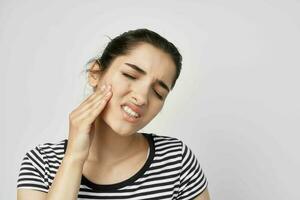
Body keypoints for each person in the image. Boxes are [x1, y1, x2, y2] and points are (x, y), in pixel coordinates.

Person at [17, 28, 210, 200]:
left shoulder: (176, 160)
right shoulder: (42, 162)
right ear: (95, 73)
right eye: (130, 75)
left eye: (158, 93)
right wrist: (74, 157)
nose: (142, 97)